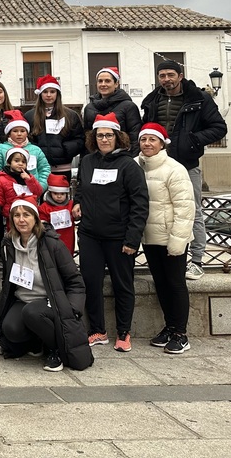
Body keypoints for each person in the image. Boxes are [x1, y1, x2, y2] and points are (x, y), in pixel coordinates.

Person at [141, 58, 228, 281]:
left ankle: (197, 261)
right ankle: (162, 258)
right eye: (162, 76)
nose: (166, 79)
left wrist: (192, 141)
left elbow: (219, 127)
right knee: (155, 211)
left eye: (171, 75)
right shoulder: (152, 100)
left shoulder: (199, 99)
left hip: (186, 165)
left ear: (180, 76)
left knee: (193, 212)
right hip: (156, 166)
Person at [75, 113, 149, 353]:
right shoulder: (86, 161)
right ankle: (97, 330)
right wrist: (77, 203)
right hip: (90, 235)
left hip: (119, 237)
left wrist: (132, 239)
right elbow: (80, 188)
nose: (104, 139)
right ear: (93, 138)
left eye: (108, 135)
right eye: (99, 135)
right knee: (91, 283)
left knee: (122, 285)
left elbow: (140, 203)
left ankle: (124, 332)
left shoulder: (129, 165)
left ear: (118, 137)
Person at [0, 199, 93, 372]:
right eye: (16, 215)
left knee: (32, 312)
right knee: (10, 329)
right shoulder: (8, 244)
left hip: (50, 300)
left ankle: (55, 350)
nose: (21, 220)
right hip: (22, 299)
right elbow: (7, 280)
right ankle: (38, 342)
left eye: (26, 215)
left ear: (36, 219)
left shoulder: (52, 244)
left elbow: (75, 281)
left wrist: (72, 309)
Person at [137, 123, 195, 355]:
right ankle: (169, 327)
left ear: (162, 143)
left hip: (171, 237)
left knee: (175, 284)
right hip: (150, 238)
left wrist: (178, 240)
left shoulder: (175, 169)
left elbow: (185, 207)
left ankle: (181, 333)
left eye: (153, 140)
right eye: (144, 140)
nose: (148, 144)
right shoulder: (135, 165)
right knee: (161, 284)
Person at [24, 75, 84, 176]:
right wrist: (37, 151)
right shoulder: (29, 116)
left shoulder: (71, 115)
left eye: (52, 91)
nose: (48, 95)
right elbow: (26, 140)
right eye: (45, 92)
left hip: (63, 169)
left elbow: (80, 139)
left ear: (57, 94)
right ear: (40, 94)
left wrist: (66, 149)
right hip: (38, 169)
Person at [83, 67, 142, 153]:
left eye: (107, 81)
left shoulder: (129, 106)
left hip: (122, 158)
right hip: (97, 159)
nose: (103, 84)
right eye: (100, 81)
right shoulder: (89, 108)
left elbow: (135, 136)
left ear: (116, 84)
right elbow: (86, 138)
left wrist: (131, 159)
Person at [0, 111, 50, 189]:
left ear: (27, 133)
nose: (19, 134)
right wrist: (4, 186)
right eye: (15, 131)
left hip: (32, 192)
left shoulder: (36, 150)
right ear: (9, 133)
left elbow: (45, 169)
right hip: (8, 191)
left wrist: (40, 187)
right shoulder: (0, 148)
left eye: (22, 131)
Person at [0, 146, 45, 222]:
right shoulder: (1, 179)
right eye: (17, 161)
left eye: (23, 162)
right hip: (12, 215)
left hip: (30, 214)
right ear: (9, 162)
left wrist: (29, 180)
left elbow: (38, 192)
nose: (20, 164)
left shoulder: (29, 177)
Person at [39, 174, 77, 256]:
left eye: (62, 194)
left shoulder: (71, 205)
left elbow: (76, 217)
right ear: (50, 193)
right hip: (51, 241)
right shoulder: (44, 208)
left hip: (68, 239)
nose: (59, 196)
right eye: (55, 193)